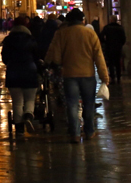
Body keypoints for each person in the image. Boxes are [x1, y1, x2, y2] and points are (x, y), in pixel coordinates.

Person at [44, 8, 110, 143]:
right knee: (89, 103)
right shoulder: (90, 34)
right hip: (88, 74)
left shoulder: (61, 34)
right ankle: (89, 131)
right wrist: (104, 76)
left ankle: (74, 134)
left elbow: (55, 57)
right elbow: (99, 57)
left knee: (72, 104)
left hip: (69, 74)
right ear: (82, 20)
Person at [2, 15, 39, 136]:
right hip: (29, 70)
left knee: (17, 101)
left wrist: (11, 63)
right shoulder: (31, 39)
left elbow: (4, 58)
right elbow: (37, 56)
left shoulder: (8, 40)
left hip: (13, 72)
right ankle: (28, 114)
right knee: (30, 98)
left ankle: (19, 129)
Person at [101, 18, 126, 85]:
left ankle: (112, 77)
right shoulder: (120, 28)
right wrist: (120, 44)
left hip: (109, 47)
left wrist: (105, 42)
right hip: (118, 48)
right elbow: (123, 38)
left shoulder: (107, 28)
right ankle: (118, 77)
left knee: (111, 63)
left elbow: (101, 36)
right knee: (118, 63)